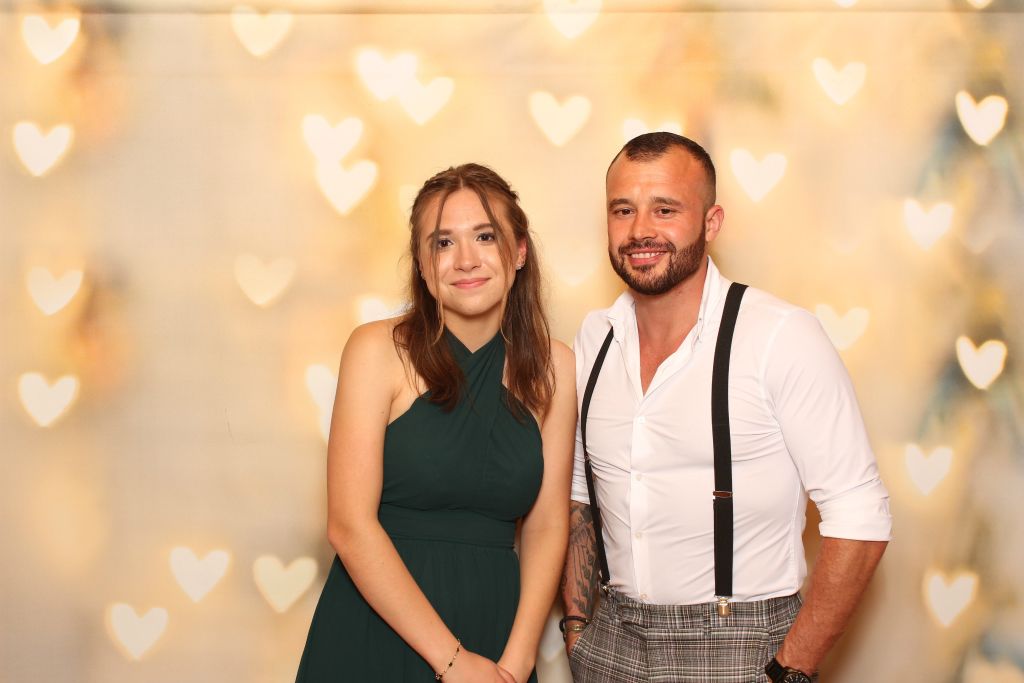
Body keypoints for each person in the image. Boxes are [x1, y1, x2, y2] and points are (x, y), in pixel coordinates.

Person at [559, 133, 892, 683]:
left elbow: (860, 514)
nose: (640, 230)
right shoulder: (595, 338)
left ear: (711, 222)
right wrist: (577, 628)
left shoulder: (779, 335)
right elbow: (580, 495)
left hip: (744, 648)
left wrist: (790, 669)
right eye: (623, 210)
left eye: (665, 209)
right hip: (611, 645)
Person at [295, 163, 576, 682]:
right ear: (423, 266)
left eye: (485, 237)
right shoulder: (376, 350)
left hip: (496, 643)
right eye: (443, 243)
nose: (465, 259)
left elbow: (547, 525)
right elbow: (349, 526)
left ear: (519, 252)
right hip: (376, 633)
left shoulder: (554, 366)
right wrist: (452, 661)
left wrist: (516, 663)